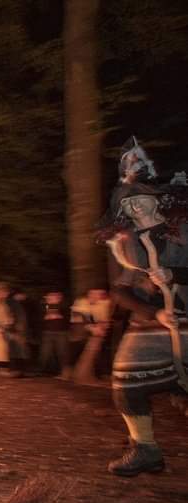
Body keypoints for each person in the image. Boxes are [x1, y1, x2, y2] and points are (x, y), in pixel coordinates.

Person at [97, 137, 188, 476]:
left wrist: (175, 273)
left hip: (187, 319)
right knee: (125, 379)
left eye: (139, 198)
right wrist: (153, 313)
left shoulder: (183, 231)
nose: (134, 205)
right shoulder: (126, 245)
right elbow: (119, 292)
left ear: (156, 200)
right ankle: (145, 449)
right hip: (150, 326)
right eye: (128, 201)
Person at [37, 291, 71, 378]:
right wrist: (45, 317)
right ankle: (42, 370)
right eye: (48, 297)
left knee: (62, 352)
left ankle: (64, 372)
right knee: (45, 352)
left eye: (53, 297)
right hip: (47, 333)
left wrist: (59, 316)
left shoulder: (64, 307)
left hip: (61, 333)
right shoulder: (44, 307)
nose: (50, 299)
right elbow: (38, 319)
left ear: (59, 298)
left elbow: (69, 318)